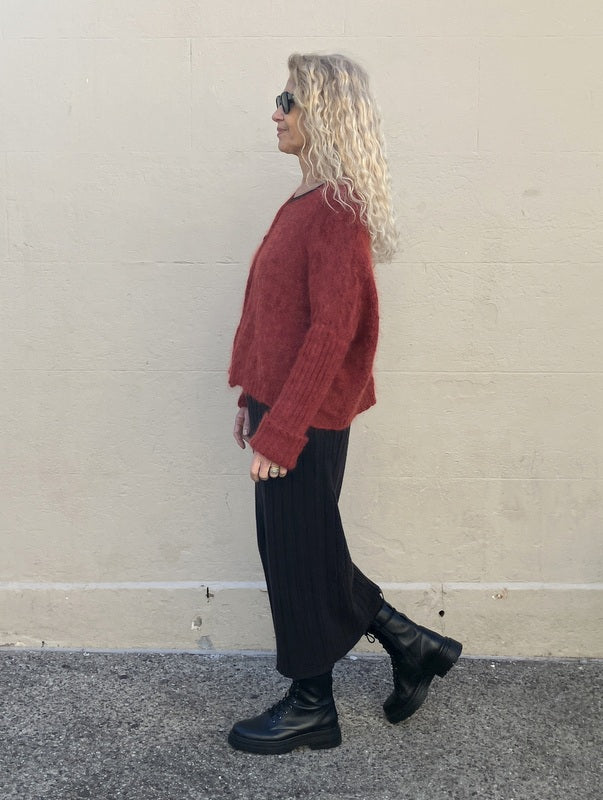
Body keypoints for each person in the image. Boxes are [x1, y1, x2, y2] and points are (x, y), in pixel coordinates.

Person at [227, 53, 462, 755]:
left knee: (298, 554)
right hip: (281, 406)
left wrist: (283, 430)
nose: (276, 113)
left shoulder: (335, 209)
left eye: (288, 101)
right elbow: (278, 317)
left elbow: (333, 330)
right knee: (301, 549)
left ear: (322, 112)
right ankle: (409, 644)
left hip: (305, 417)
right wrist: (252, 397)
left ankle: (313, 707)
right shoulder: (307, 199)